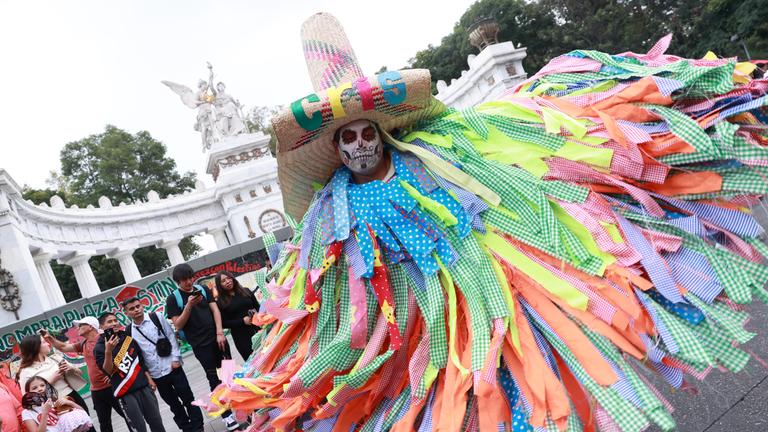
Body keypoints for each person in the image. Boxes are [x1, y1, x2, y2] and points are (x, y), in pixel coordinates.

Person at [204, 12, 768, 431]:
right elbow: (328, 292)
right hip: (414, 325)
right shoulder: (332, 210)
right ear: (334, 147)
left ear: (380, 130)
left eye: (366, 131)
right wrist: (300, 373)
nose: (358, 144)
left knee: (528, 379)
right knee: (464, 404)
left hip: (493, 281)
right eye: (345, 137)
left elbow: (506, 170)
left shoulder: (432, 152)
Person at [165, 263, 241, 431]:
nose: (188, 282)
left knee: (229, 374)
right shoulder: (173, 299)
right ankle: (226, 415)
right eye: (184, 280)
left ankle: (242, 408)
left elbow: (215, 310)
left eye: (190, 278)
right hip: (200, 345)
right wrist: (189, 305)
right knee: (213, 378)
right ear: (178, 281)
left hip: (218, 338)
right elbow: (178, 324)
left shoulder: (202, 289)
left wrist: (220, 332)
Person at [122, 296, 204, 432]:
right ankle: (187, 428)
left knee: (188, 398)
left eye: (138, 306)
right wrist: (148, 377)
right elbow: (137, 356)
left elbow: (171, 336)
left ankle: (198, 427)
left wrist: (176, 359)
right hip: (156, 374)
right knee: (173, 405)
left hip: (173, 367)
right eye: (131, 309)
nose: (136, 310)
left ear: (142, 306)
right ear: (126, 313)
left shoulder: (156, 317)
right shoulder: (129, 331)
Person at [43, 317, 125, 432]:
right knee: (104, 423)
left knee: (127, 416)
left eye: (81, 325)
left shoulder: (105, 340)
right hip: (96, 390)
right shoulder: (84, 343)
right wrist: (49, 338)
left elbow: (120, 357)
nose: (78, 328)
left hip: (110, 387)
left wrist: (113, 374)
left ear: (90, 326)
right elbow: (63, 347)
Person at [93, 312, 166, 432]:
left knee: (157, 423)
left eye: (115, 320)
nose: (114, 323)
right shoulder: (100, 348)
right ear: (101, 327)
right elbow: (108, 371)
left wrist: (149, 379)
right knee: (139, 428)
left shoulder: (126, 337)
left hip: (143, 387)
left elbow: (140, 360)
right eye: (109, 322)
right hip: (125, 393)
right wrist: (108, 351)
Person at [16, 335, 88, 413]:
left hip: (73, 397)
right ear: (36, 347)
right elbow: (29, 398)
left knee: (88, 423)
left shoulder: (55, 358)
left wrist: (71, 368)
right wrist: (52, 380)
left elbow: (80, 373)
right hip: (55, 405)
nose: (48, 344)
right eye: (44, 342)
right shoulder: (25, 371)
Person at [21, 376, 93, 432]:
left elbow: (83, 413)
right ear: (28, 392)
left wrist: (70, 403)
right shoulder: (27, 412)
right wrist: (45, 412)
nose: (40, 389)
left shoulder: (54, 402)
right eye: (34, 388)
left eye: (42, 385)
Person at [214, 271, 259, 359]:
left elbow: (258, 307)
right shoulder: (220, 302)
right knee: (253, 363)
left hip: (258, 329)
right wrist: (242, 321)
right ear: (219, 285)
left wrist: (258, 314)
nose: (227, 281)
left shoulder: (246, 291)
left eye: (228, 278)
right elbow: (224, 323)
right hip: (242, 337)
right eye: (223, 281)